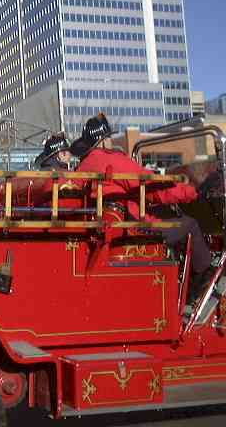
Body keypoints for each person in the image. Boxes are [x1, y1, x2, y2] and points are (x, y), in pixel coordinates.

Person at [71, 113, 211, 302]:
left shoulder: (84, 165)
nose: (111, 142)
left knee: (166, 216)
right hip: (129, 228)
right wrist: (193, 192)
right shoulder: (111, 160)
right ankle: (201, 283)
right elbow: (154, 188)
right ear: (103, 141)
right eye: (109, 138)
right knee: (190, 224)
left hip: (106, 227)